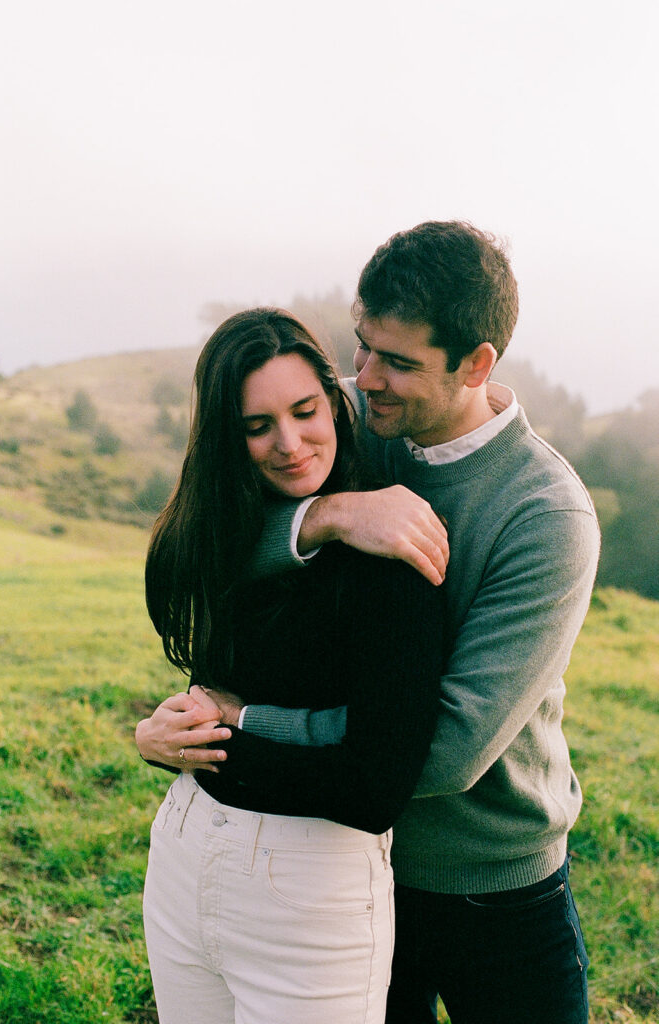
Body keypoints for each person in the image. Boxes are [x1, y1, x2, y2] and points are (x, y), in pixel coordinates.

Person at [198, 222, 601, 1024]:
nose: (365, 379)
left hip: (494, 886)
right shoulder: (344, 428)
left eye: (399, 363)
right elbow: (207, 550)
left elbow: (444, 748)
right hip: (345, 865)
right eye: (362, 346)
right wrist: (325, 516)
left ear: (476, 363)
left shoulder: (545, 517)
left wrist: (244, 722)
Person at [136, 308, 449, 1024]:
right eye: (257, 426)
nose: (289, 443)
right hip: (184, 854)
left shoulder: (391, 554)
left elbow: (373, 785)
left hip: (309, 890)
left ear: (334, 401)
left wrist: (218, 742)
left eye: (305, 411)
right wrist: (160, 739)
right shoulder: (227, 535)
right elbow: (204, 662)